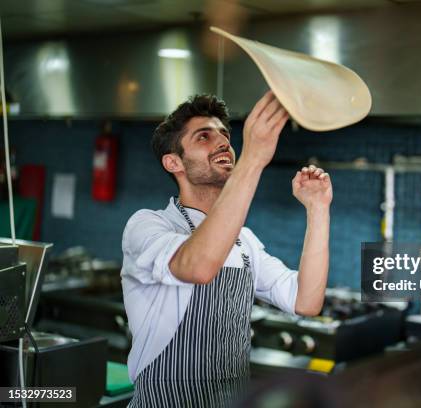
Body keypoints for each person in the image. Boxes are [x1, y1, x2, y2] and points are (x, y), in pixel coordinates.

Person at [120, 91, 332, 407]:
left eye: (225, 135)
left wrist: (318, 209)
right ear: (173, 162)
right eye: (204, 136)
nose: (222, 143)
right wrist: (254, 158)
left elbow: (307, 301)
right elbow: (197, 266)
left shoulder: (244, 240)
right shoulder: (147, 225)